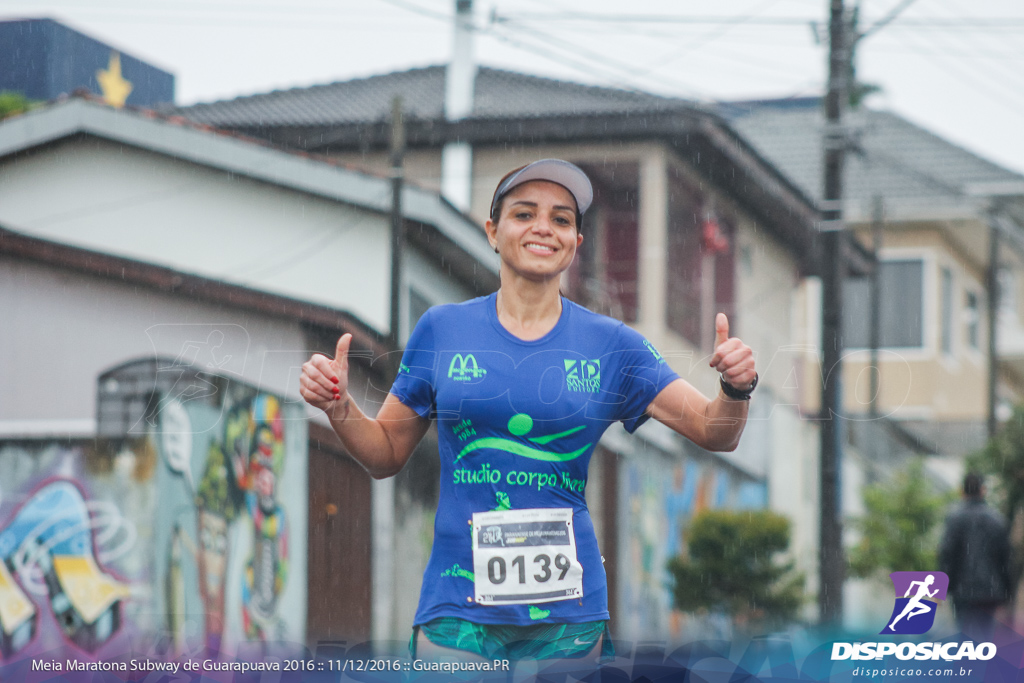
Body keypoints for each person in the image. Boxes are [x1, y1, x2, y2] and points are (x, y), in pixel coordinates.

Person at [299, 159, 757, 662]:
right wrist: (339, 406)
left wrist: (737, 388)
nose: (544, 227)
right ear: (494, 232)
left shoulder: (613, 346)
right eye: (524, 214)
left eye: (562, 219)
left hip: (568, 617)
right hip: (458, 605)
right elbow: (385, 453)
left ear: (576, 243)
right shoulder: (442, 329)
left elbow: (715, 432)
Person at [938, 471, 1012, 638]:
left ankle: (966, 664)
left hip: (962, 590)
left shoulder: (955, 519)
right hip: (990, 591)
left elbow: (947, 554)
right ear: (983, 490)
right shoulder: (997, 520)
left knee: (964, 636)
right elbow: (1005, 559)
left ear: (962, 491)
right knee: (984, 637)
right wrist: (1007, 591)